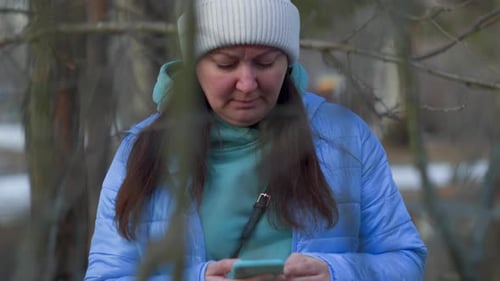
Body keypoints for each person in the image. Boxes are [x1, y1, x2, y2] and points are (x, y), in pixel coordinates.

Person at [85, 0, 427, 280]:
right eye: (225, 64)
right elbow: (107, 276)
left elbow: (405, 260)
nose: (247, 83)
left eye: (265, 62)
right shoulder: (143, 150)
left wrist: (337, 273)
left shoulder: (347, 139)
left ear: (288, 64)